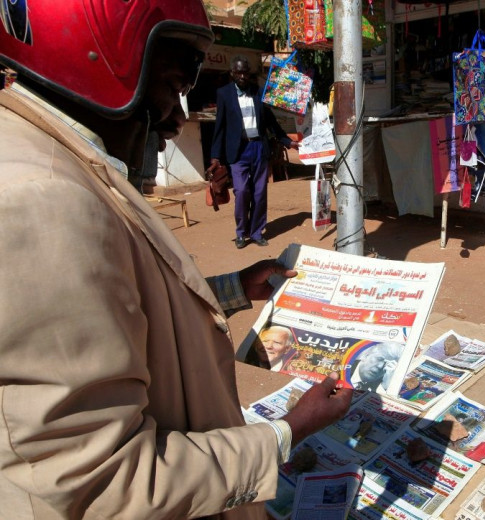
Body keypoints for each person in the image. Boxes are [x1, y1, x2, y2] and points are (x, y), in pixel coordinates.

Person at [0, 2, 352, 519]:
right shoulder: (45, 201)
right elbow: (106, 482)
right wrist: (287, 431)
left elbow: (120, 307)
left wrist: (233, 289)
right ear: (108, 61)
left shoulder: (42, 158)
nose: (177, 119)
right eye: (175, 83)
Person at [210, 56, 297, 249]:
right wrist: (216, 156)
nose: (242, 76)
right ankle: (241, 232)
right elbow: (220, 127)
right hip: (238, 150)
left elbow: (271, 121)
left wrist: (287, 141)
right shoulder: (224, 94)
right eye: (238, 72)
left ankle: (257, 232)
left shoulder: (259, 92)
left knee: (259, 193)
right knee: (241, 191)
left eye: (245, 72)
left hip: (258, 148)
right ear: (232, 74)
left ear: (249, 74)